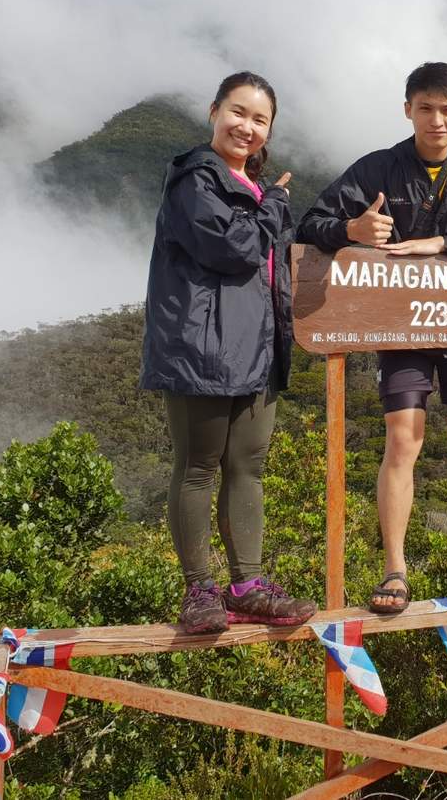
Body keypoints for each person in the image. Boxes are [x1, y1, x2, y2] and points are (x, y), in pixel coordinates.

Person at [297, 61, 447, 613]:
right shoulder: (379, 168)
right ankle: (395, 570)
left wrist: (442, 242)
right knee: (403, 439)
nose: (437, 120)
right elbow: (310, 223)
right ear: (408, 110)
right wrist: (350, 230)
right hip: (401, 326)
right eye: (425, 108)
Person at [141, 71, 317, 634]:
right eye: (238, 112)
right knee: (196, 469)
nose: (247, 127)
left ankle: (247, 585)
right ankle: (200, 592)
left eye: (260, 119)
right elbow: (234, 247)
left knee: (248, 468)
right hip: (202, 348)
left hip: (257, 351)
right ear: (214, 111)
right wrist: (278, 207)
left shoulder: (256, 191)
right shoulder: (196, 179)